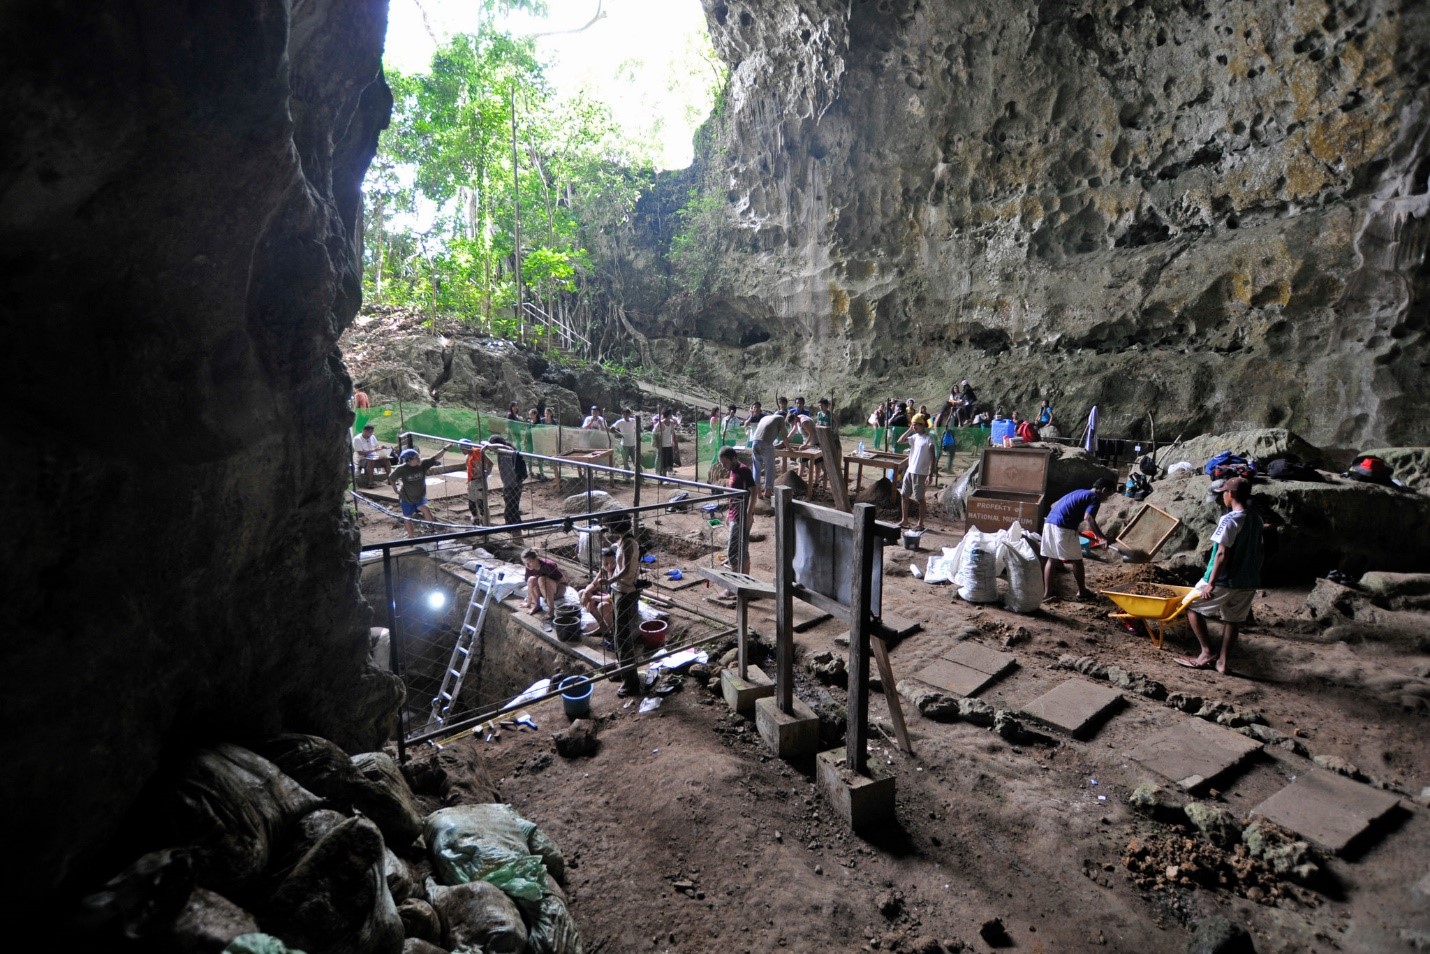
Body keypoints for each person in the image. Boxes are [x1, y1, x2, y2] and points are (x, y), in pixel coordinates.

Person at [1178, 476, 1264, 674]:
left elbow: (1222, 553)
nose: (1223, 496)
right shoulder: (1256, 519)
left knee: (1192, 607)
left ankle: (1207, 652)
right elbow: (1261, 551)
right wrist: (1254, 574)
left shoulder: (1230, 520)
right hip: (1248, 580)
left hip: (1225, 579)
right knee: (1232, 620)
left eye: (1224, 492)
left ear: (1230, 494)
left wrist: (1211, 583)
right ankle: (1223, 663)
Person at [1040, 477, 1116, 600]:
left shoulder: (1081, 492)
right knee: (1077, 561)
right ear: (1104, 490)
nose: (1107, 498)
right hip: (1063, 526)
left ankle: (1047, 594)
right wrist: (1101, 538)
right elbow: (1089, 518)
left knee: (1052, 559)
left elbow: (1062, 507)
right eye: (1108, 495)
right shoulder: (1094, 498)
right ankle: (1082, 591)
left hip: (1049, 523)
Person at [605, 519, 643, 697]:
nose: (608, 529)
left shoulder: (629, 543)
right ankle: (623, 671)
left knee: (623, 637)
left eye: (610, 526)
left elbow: (627, 570)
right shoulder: (621, 541)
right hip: (618, 590)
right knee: (618, 634)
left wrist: (610, 580)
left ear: (616, 527)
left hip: (626, 591)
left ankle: (631, 682)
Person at [388, 446, 446, 537]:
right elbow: (391, 478)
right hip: (407, 498)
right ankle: (411, 537)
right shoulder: (402, 469)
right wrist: (396, 489)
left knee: (426, 509)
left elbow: (436, 457)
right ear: (409, 460)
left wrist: (445, 449)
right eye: (416, 458)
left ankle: (431, 529)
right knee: (408, 518)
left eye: (418, 457)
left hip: (420, 496)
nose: (419, 459)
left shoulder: (423, 464)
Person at [719, 446, 756, 574]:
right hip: (734, 514)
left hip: (742, 516)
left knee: (734, 551)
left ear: (733, 458)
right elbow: (733, 497)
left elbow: (754, 492)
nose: (724, 466)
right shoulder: (733, 470)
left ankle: (738, 583)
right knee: (739, 549)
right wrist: (729, 516)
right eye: (722, 463)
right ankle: (743, 581)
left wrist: (749, 514)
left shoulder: (743, 470)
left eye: (725, 463)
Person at [895, 414, 935, 530]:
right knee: (904, 495)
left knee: (920, 498)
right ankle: (904, 520)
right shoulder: (914, 437)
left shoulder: (928, 439)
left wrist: (930, 474)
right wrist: (909, 430)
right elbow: (900, 441)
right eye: (913, 424)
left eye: (916, 424)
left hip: (921, 473)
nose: (914, 426)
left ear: (922, 425)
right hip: (910, 470)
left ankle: (920, 523)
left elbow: (933, 457)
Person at [487, 435, 524, 539]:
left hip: (512, 486)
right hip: (512, 485)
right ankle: (515, 536)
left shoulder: (506, 454)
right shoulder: (504, 452)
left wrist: (508, 488)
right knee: (512, 511)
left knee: (511, 512)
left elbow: (510, 473)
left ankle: (517, 537)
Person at [749, 404, 788, 500]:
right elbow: (784, 437)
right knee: (770, 468)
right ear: (784, 416)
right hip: (765, 444)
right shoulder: (781, 418)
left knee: (756, 468)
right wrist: (790, 448)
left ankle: (757, 492)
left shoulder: (765, 418)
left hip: (754, 442)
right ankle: (768, 491)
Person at [520, 548, 565, 629]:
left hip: (558, 589)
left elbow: (562, 580)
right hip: (544, 591)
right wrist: (528, 603)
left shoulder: (548, 565)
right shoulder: (528, 567)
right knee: (531, 579)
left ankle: (551, 609)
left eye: (529, 562)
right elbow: (529, 584)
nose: (527, 565)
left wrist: (547, 586)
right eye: (525, 563)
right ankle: (536, 605)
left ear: (536, 559)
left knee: (542, 580)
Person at [580, 546, 618, 638]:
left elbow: (611, 597)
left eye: (613, 562)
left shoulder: (617, 573)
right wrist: (586, 593)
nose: (609, 566)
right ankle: (603, 627)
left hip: (617, 600)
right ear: (601, 563)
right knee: (582, 592)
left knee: (602, 606)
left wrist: (593, 598)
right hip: (609, 597)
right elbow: (594, 584)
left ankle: (613, 632)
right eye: (606, 563)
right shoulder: (603, 570)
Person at [460, 439, 491, 525]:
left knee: (481, 504)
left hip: (479, 482)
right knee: (472, 504)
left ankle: (486, 524)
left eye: (462, 449)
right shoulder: (467, 456)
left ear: (466, 448)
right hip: (471, 482)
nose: (461, 451)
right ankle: (476, 521)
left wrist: (485, 474)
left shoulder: (477, 452)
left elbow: (490, 463)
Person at [610, 407, 639, 477]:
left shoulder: (633, 421)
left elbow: (637, 428)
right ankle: (627, 475)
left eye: (627, 414)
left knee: (636, 461)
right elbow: (612, 428)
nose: (626, 415)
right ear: (622, 414)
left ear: (629, 414)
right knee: (625, 461)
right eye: (624, 414)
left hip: (633, 444)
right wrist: (619, 434)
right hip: (624, 445)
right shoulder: (620, 422)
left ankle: (638, 474)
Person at [652, 408, 678, 477]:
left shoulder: (671, 423)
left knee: (667, 462)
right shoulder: (661, 423)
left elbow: (672, 432)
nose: (671, 416)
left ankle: (665, 476)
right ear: (667, 415)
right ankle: (661, 476)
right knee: (662, 461)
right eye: (670, 414)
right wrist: (657, 442)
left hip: (669, 444)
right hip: (662, 445)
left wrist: (672, 441)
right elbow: (654, 432)